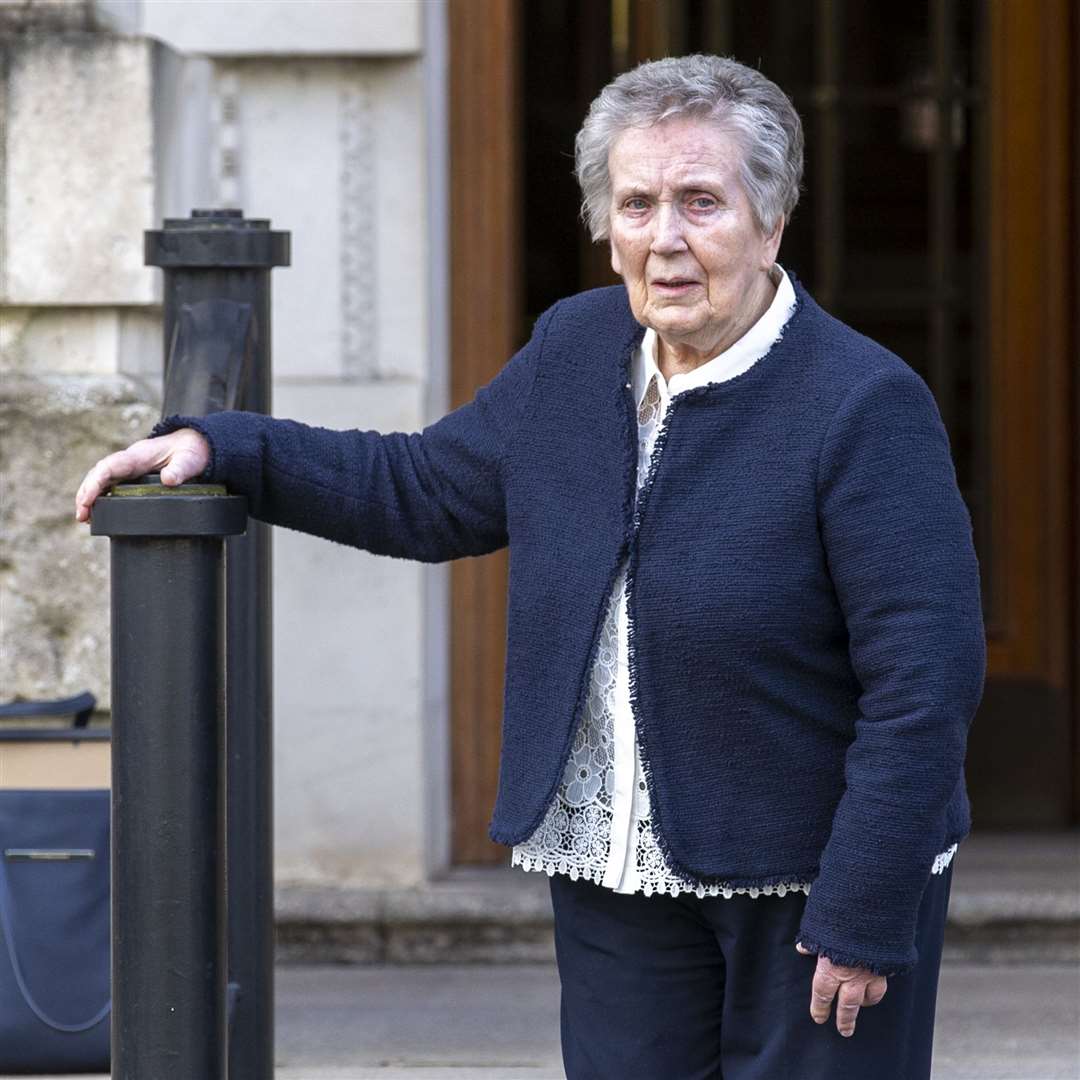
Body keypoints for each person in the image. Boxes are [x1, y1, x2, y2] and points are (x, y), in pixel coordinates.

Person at [76, 55, 985, 1080]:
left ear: (770, 223)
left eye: (702, 201)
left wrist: (866, 901)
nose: (666, 239)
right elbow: (423, 489)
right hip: (616, 870)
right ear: (605, 225)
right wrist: (229, 447)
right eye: (636, 205)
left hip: (813, 879)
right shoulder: (574, 349)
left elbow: (927, 680)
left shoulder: (864, 404)